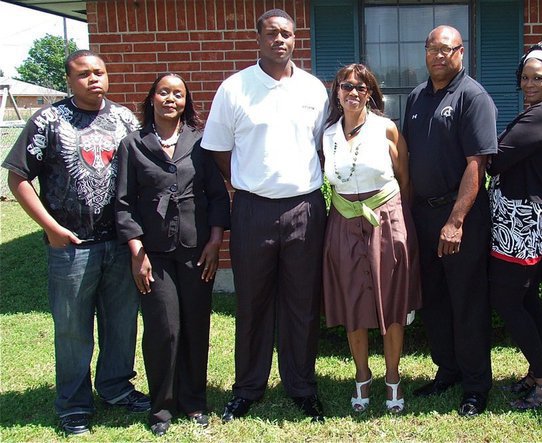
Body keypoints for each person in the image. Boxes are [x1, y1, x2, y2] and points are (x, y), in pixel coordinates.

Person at [1, 50, 150, 436]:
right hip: (70, 247)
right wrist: (50, 227)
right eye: (84, 75)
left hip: (119, 244)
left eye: (99, 72)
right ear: (69, 80)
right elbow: (17, 178)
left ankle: (116, 388)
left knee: (121, 324)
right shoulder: (47, 121)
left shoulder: (123, 120)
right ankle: (73, 404)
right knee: (72, 329)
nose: (94, 79)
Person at [201, 9, 328, 423]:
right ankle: (248, 387)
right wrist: (243, 183)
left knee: (302, 303)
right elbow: (218, 149)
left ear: (296, 40)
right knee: (252, 303)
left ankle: (302, 386)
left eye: (287, 34)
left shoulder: (314, 89)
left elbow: (317, 144)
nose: (280, 40)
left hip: (305, 207)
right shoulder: (234, 88)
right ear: (257, 38)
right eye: (271, 33)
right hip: (252, 209)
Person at [115, 73, 230, 436]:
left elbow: (217, 196)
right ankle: (161, 407)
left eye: (177, 94)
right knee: (164, 329)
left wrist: (215, 242)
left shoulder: (200, 143)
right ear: (151, 99)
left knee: (196, 326)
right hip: (154, 253)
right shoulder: (133, 144)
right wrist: (137, 251)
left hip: (198, 251)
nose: (170, 99)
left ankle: (194, 402)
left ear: (186, 101)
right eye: (163, 92)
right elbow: (122, 204)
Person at [404, 25, 497, 417]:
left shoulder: (473, 97)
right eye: (432, 49)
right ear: (424, 52)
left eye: (447, 49)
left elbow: (477, 164)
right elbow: (406, 163)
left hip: (460, 218)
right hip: (423, 215)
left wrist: (455, 221)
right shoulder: (415, 97)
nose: (439, 56)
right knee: (435, 299)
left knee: (467, 301)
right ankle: (448, 369)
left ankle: (476, 385)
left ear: (461, 52)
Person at [321, 64, 421, 414]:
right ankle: (362, 376)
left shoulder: (386, 129)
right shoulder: (327, 134)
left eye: (361, 88)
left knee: (391, 301)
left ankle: (392, 378)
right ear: (336, 92)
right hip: (343, 222)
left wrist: (393, 220)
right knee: (353, 301)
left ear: (370, 94)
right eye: (346, 86)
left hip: (386, 220)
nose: (353, 93)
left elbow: (404, 180)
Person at [487, 43, 542, 410]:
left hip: (524, 217)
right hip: (528, 214)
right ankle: (535, 372)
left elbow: (496, 159)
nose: (530, 83)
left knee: (505, 298)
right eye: (525, 77)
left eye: (539, 77)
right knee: (526, 296)